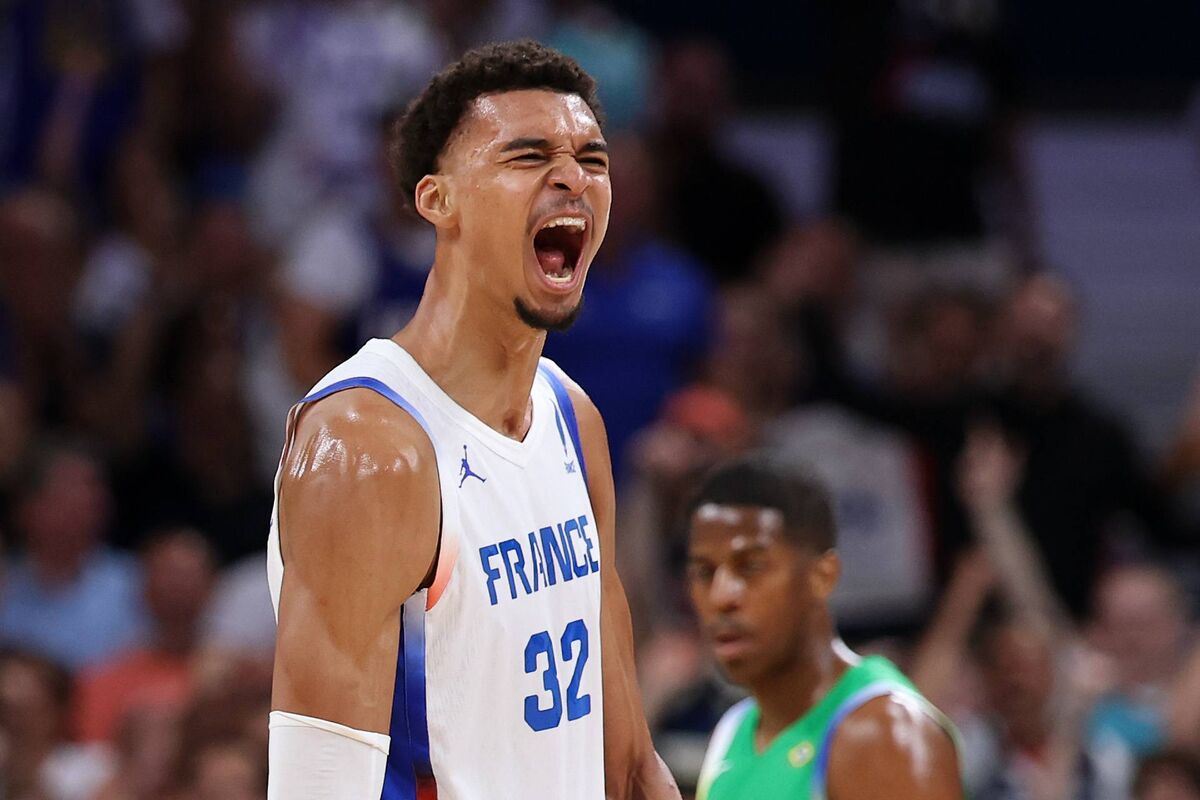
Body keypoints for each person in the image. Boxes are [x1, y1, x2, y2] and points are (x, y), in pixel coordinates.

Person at [266, 41, 679, 799]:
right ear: (437, 200)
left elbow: (629, 767)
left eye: (592, 157)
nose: (572, 177)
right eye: (527, 156)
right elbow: (318, 782)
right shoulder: (369, 447)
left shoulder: (571, 418)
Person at [685, 456, 962, 799]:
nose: (721, 596)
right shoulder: (733, 730)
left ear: (822, 576)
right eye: (704, 571)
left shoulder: (884, 731)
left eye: (751, 567)